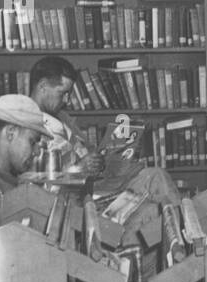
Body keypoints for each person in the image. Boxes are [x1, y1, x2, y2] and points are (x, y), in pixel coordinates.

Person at [28, 56, 181, 206]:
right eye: (63, 93)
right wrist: (78, 169)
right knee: (154, 189)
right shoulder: (27, 125)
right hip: (75, 198)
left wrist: (109, 158)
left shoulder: (62, 117)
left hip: (97, 184)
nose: (67, 100)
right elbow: (39, 187)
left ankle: (185, 227)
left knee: (155, 175)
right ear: (42, 86)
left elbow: (89, 154)